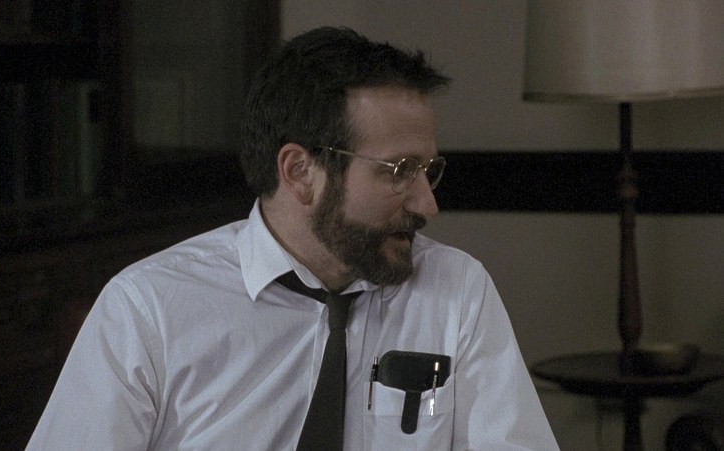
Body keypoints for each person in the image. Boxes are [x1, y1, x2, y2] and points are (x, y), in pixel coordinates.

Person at [27, 27, 559, 450]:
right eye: (398, 170)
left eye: (428, 171)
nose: (427, 204)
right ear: (300, 172)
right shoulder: (149, 309)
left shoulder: (457, 289)